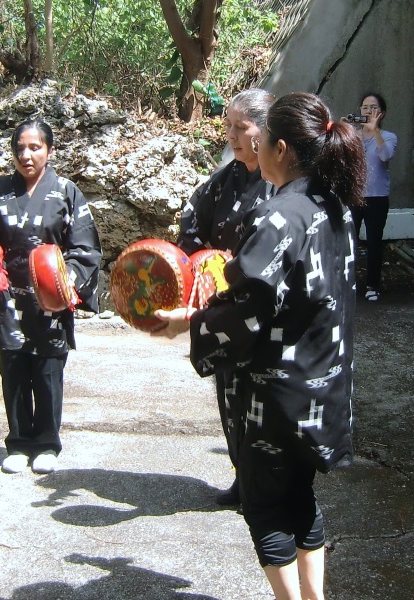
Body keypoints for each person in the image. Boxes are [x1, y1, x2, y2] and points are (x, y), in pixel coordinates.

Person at [155, 92, 363, 600]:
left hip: (277, 394)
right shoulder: (333, 208)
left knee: (265, 506)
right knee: (300, 496)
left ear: (280, 148)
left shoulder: (280, 215)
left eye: (261, 137)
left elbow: (249, 304)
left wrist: (190, 323)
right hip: (323, 387)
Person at [0, 119, 102, 475]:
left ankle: (47, 443)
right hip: (9, 298)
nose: (26, 155)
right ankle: (19, 442)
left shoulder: (66, 192)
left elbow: (85, 248)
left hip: (51, 299)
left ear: (49, 151)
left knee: (48, 370)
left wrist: (64, 283)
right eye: (20, 148)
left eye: (35, 147)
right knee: (13, 369)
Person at [177, 88, 276, 506]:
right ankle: (241, 477)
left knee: (264, 401)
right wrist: (204, 265)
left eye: (242, 126)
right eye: (228, 126)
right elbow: (191, 227)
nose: (232, 136)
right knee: (229, 395)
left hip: (264, 311)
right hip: (223, 309)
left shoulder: (281, 183)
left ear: (265, 130)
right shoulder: (223, 181)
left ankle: (265, 484)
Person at [347, 92, 398, 302]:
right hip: (354, 195)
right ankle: (347, 282)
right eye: (365, 107)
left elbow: (386, 156)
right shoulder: (353, 135)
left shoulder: (388, 136)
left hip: (377, 197)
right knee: (349, 241)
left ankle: (372, 285)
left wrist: (374, 131)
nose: (368, 111)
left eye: (373, 108)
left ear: (381, 113)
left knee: (374, 241)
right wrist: (343, 132)